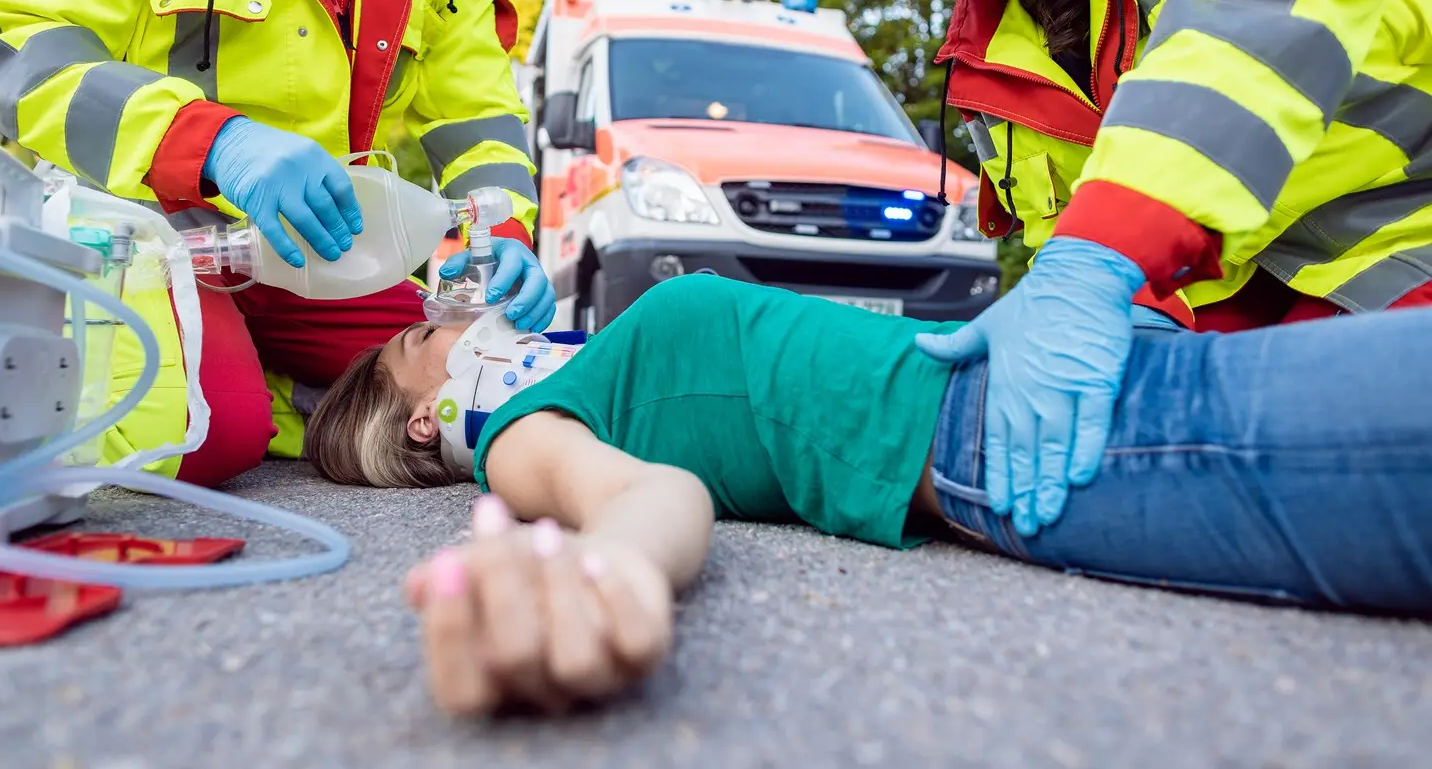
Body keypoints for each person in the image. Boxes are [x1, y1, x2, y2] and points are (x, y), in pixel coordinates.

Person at [299, 271, 1432, 716]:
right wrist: (616, 573)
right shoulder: (520, 438)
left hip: (1024, 376)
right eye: (420, 338)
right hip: (1010, 441)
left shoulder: (569, 364)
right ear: (424, 417)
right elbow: (655, 496)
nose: (449, 317)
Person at [854, 0, 1432, 538]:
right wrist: (1118, 312)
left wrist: (1097, 260)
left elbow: (1251, 42)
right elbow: (1063, 228)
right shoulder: (996, 60)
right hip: (1250, 319)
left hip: (1406, 255)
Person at [0, 0, 555, 486]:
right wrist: (211, 144)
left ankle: (249, 380)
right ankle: (242, 401)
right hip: (146, 229)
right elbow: (7, 39)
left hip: (320, 244)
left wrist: (503, 235)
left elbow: (476, 108)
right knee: (208, 432)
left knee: (474, 373)